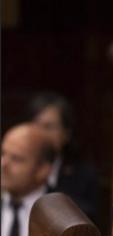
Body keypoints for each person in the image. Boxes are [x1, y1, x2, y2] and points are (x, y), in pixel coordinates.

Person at [22, 92, 100, 224]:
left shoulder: (84, 176)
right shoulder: (11, 166)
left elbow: (87, 220)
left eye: (48, 127)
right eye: (35, 125)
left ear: (66, 134)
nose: (40, 133)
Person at [1, 124, 55, 236]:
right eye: (3, 154)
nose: (3, 164)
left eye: (16, 159)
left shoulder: (62, 216)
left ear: (43, 170)